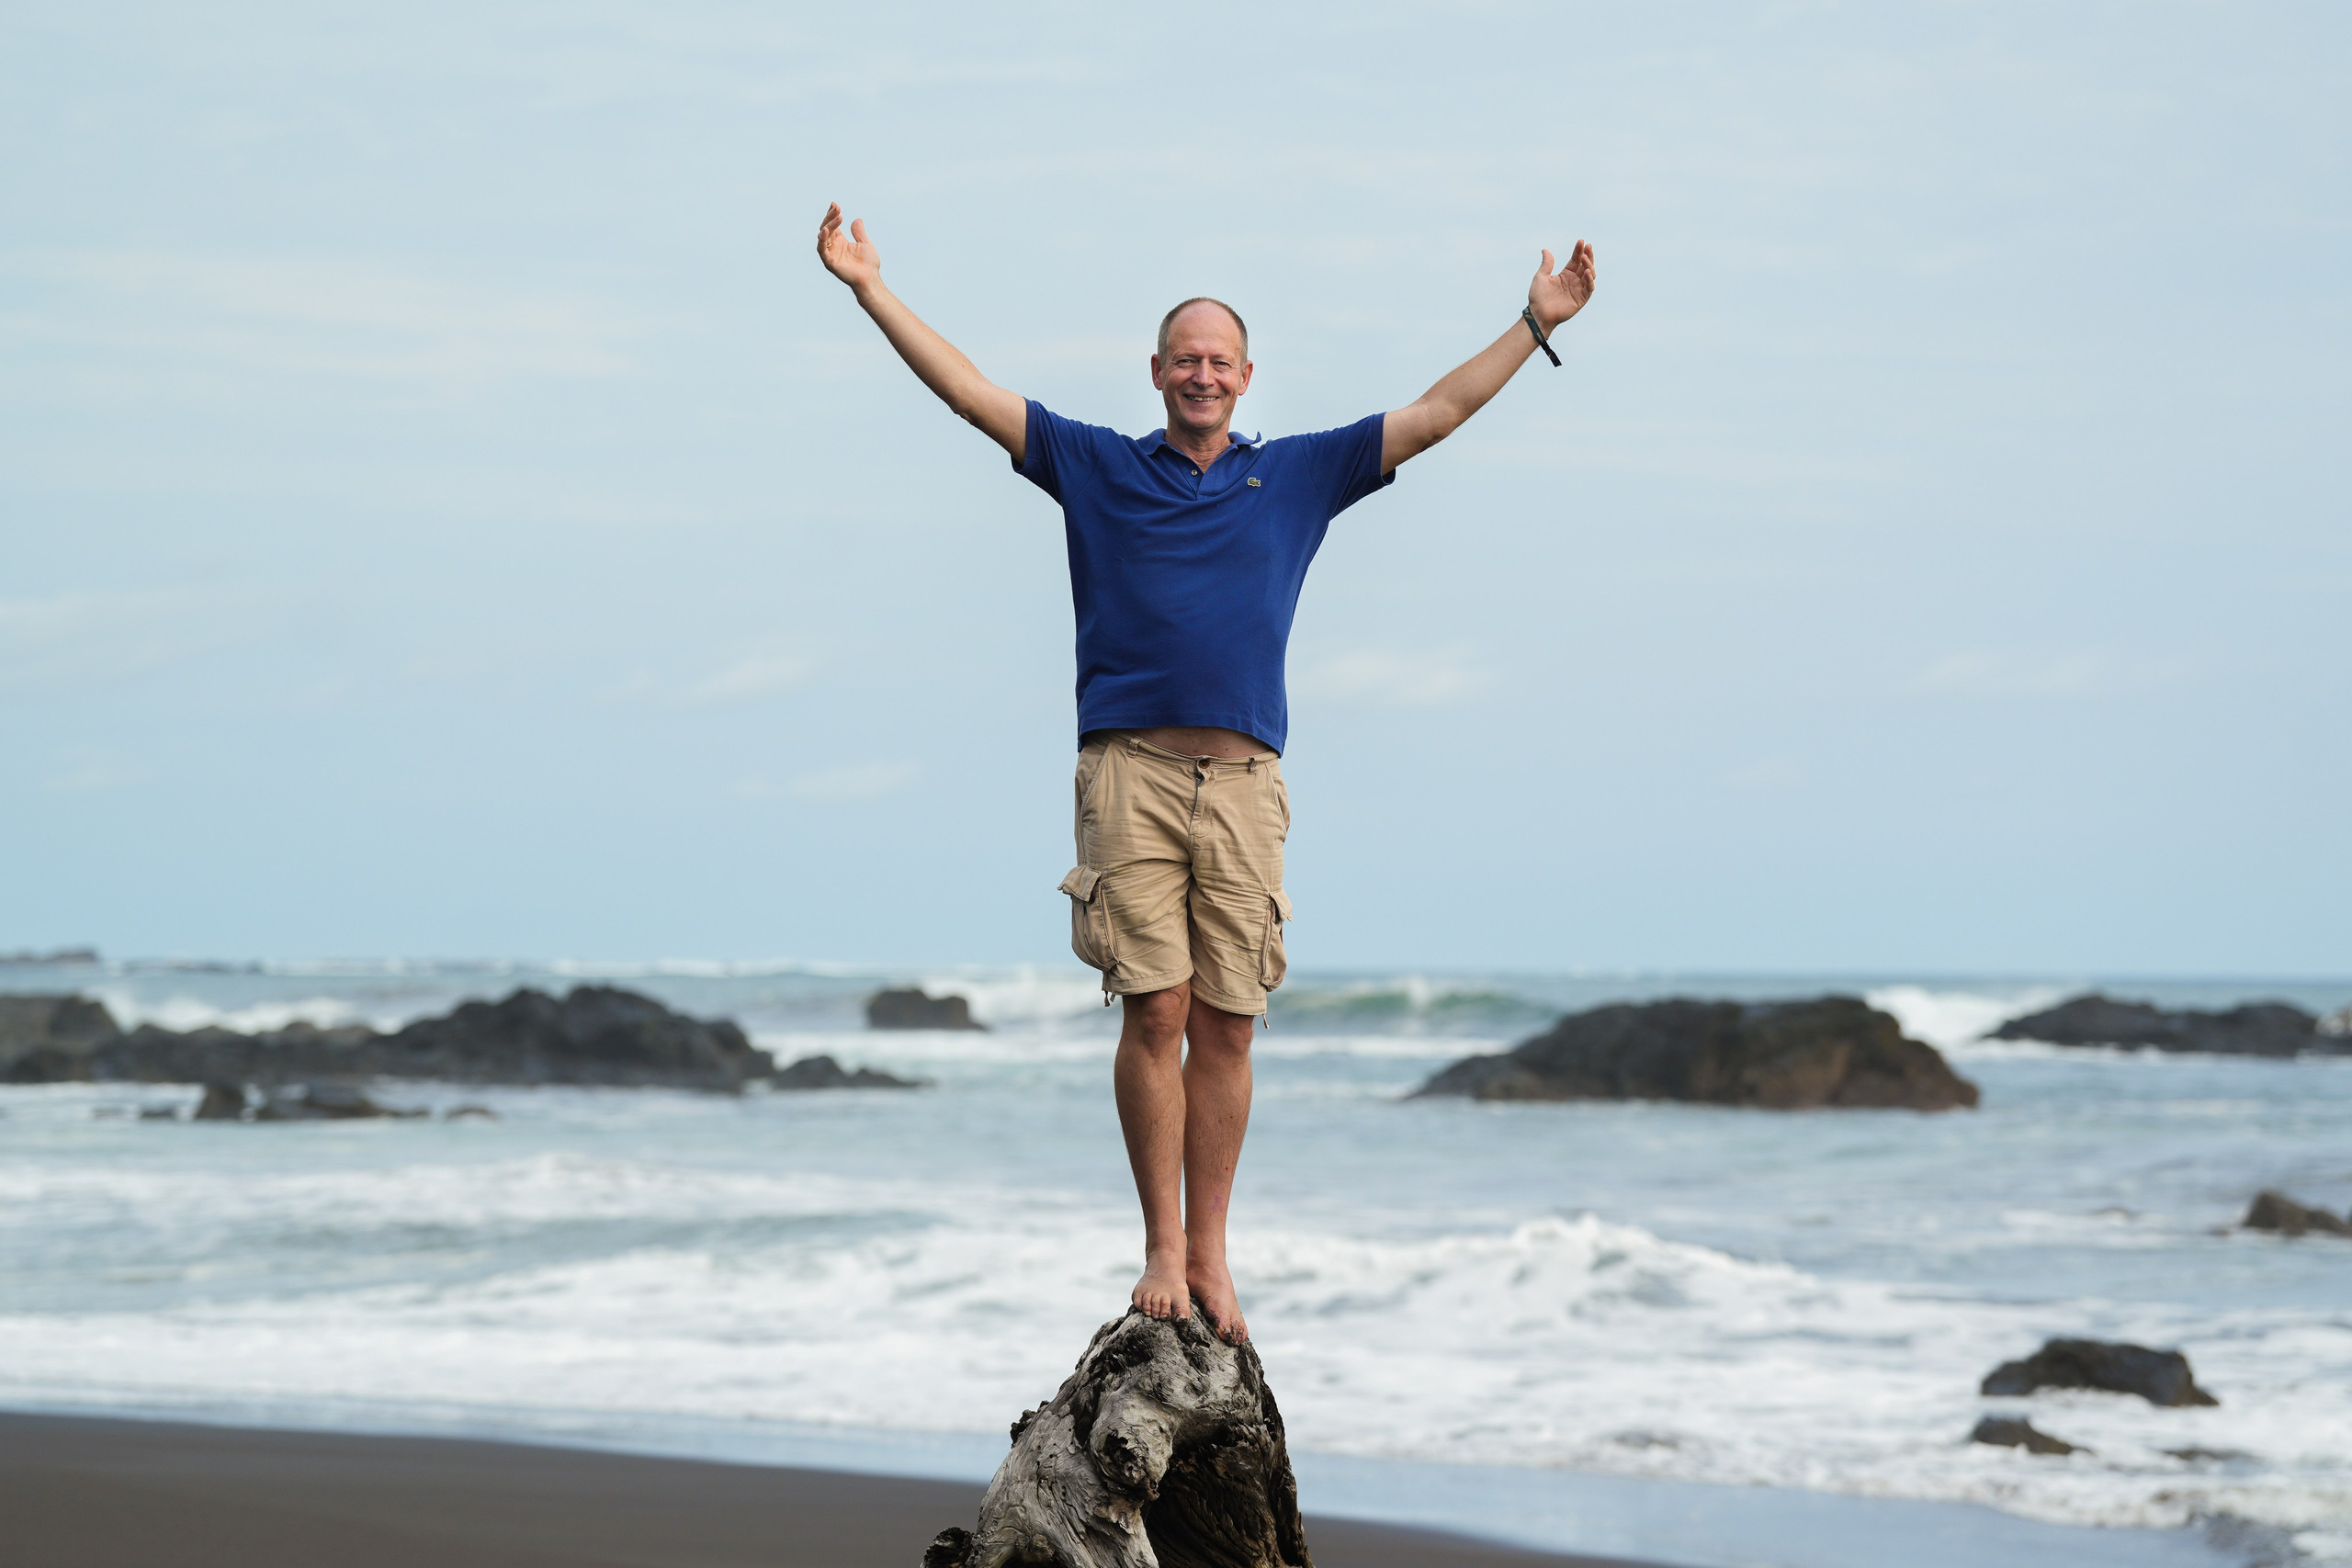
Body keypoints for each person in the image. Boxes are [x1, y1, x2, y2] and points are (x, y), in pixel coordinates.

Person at [817, 203, 1596, 1343]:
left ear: (1244, 376)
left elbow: (1436, 414)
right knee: (1156, 1012)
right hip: (1129, 773)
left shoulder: (1296, 475)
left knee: (1228, 1023)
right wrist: (870, 289)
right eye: (1184, 357)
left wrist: (1533, 322)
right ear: (1157, 371)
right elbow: (971, 392)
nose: (1201, 373)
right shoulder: (1092, 464)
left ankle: (1215, 1257)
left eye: (1219, 360)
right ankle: (1162, 1252)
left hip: (1244, 788)